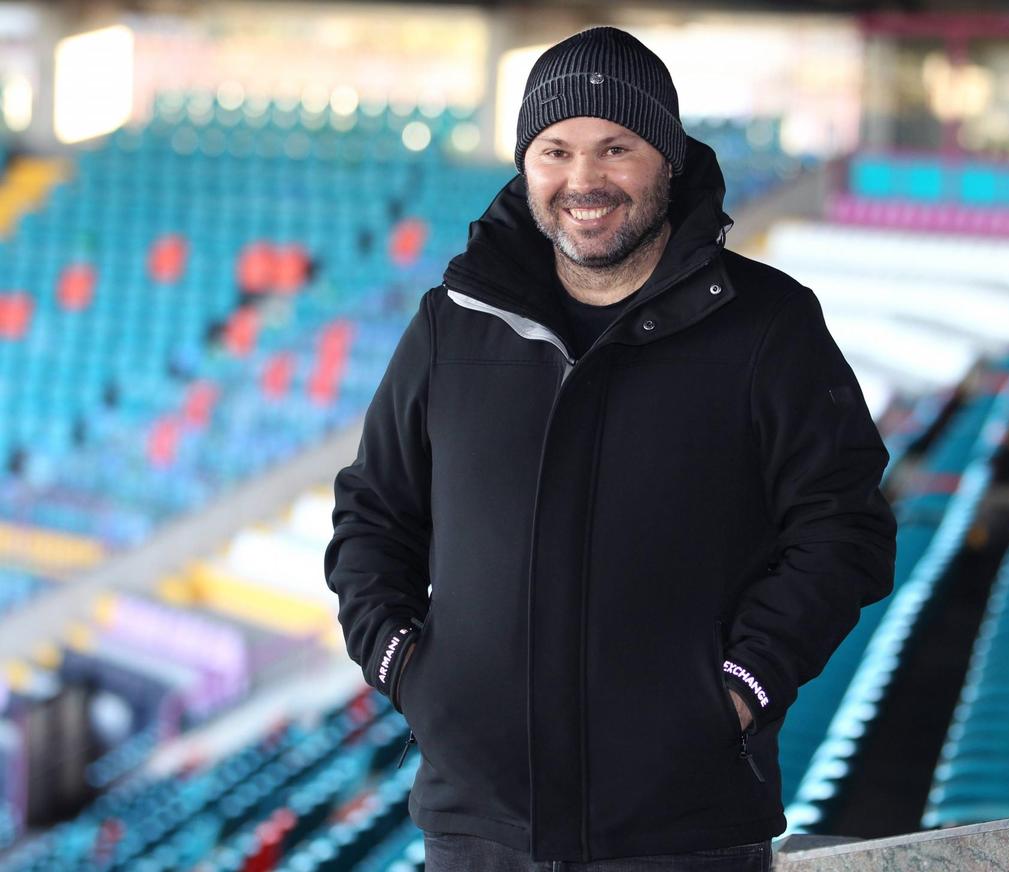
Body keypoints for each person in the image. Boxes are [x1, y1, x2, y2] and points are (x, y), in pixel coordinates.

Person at [324, 25, 896, 872]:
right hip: (478, 829)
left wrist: (738, 692)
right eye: (555, 150)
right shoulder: (452, 326)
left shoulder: (768, 326)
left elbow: (844, 530)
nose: (582, 180)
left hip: (683, 827)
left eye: (615, 148)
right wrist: (408, 669)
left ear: (666, 156)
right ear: (525, 166)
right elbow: (373, 516)